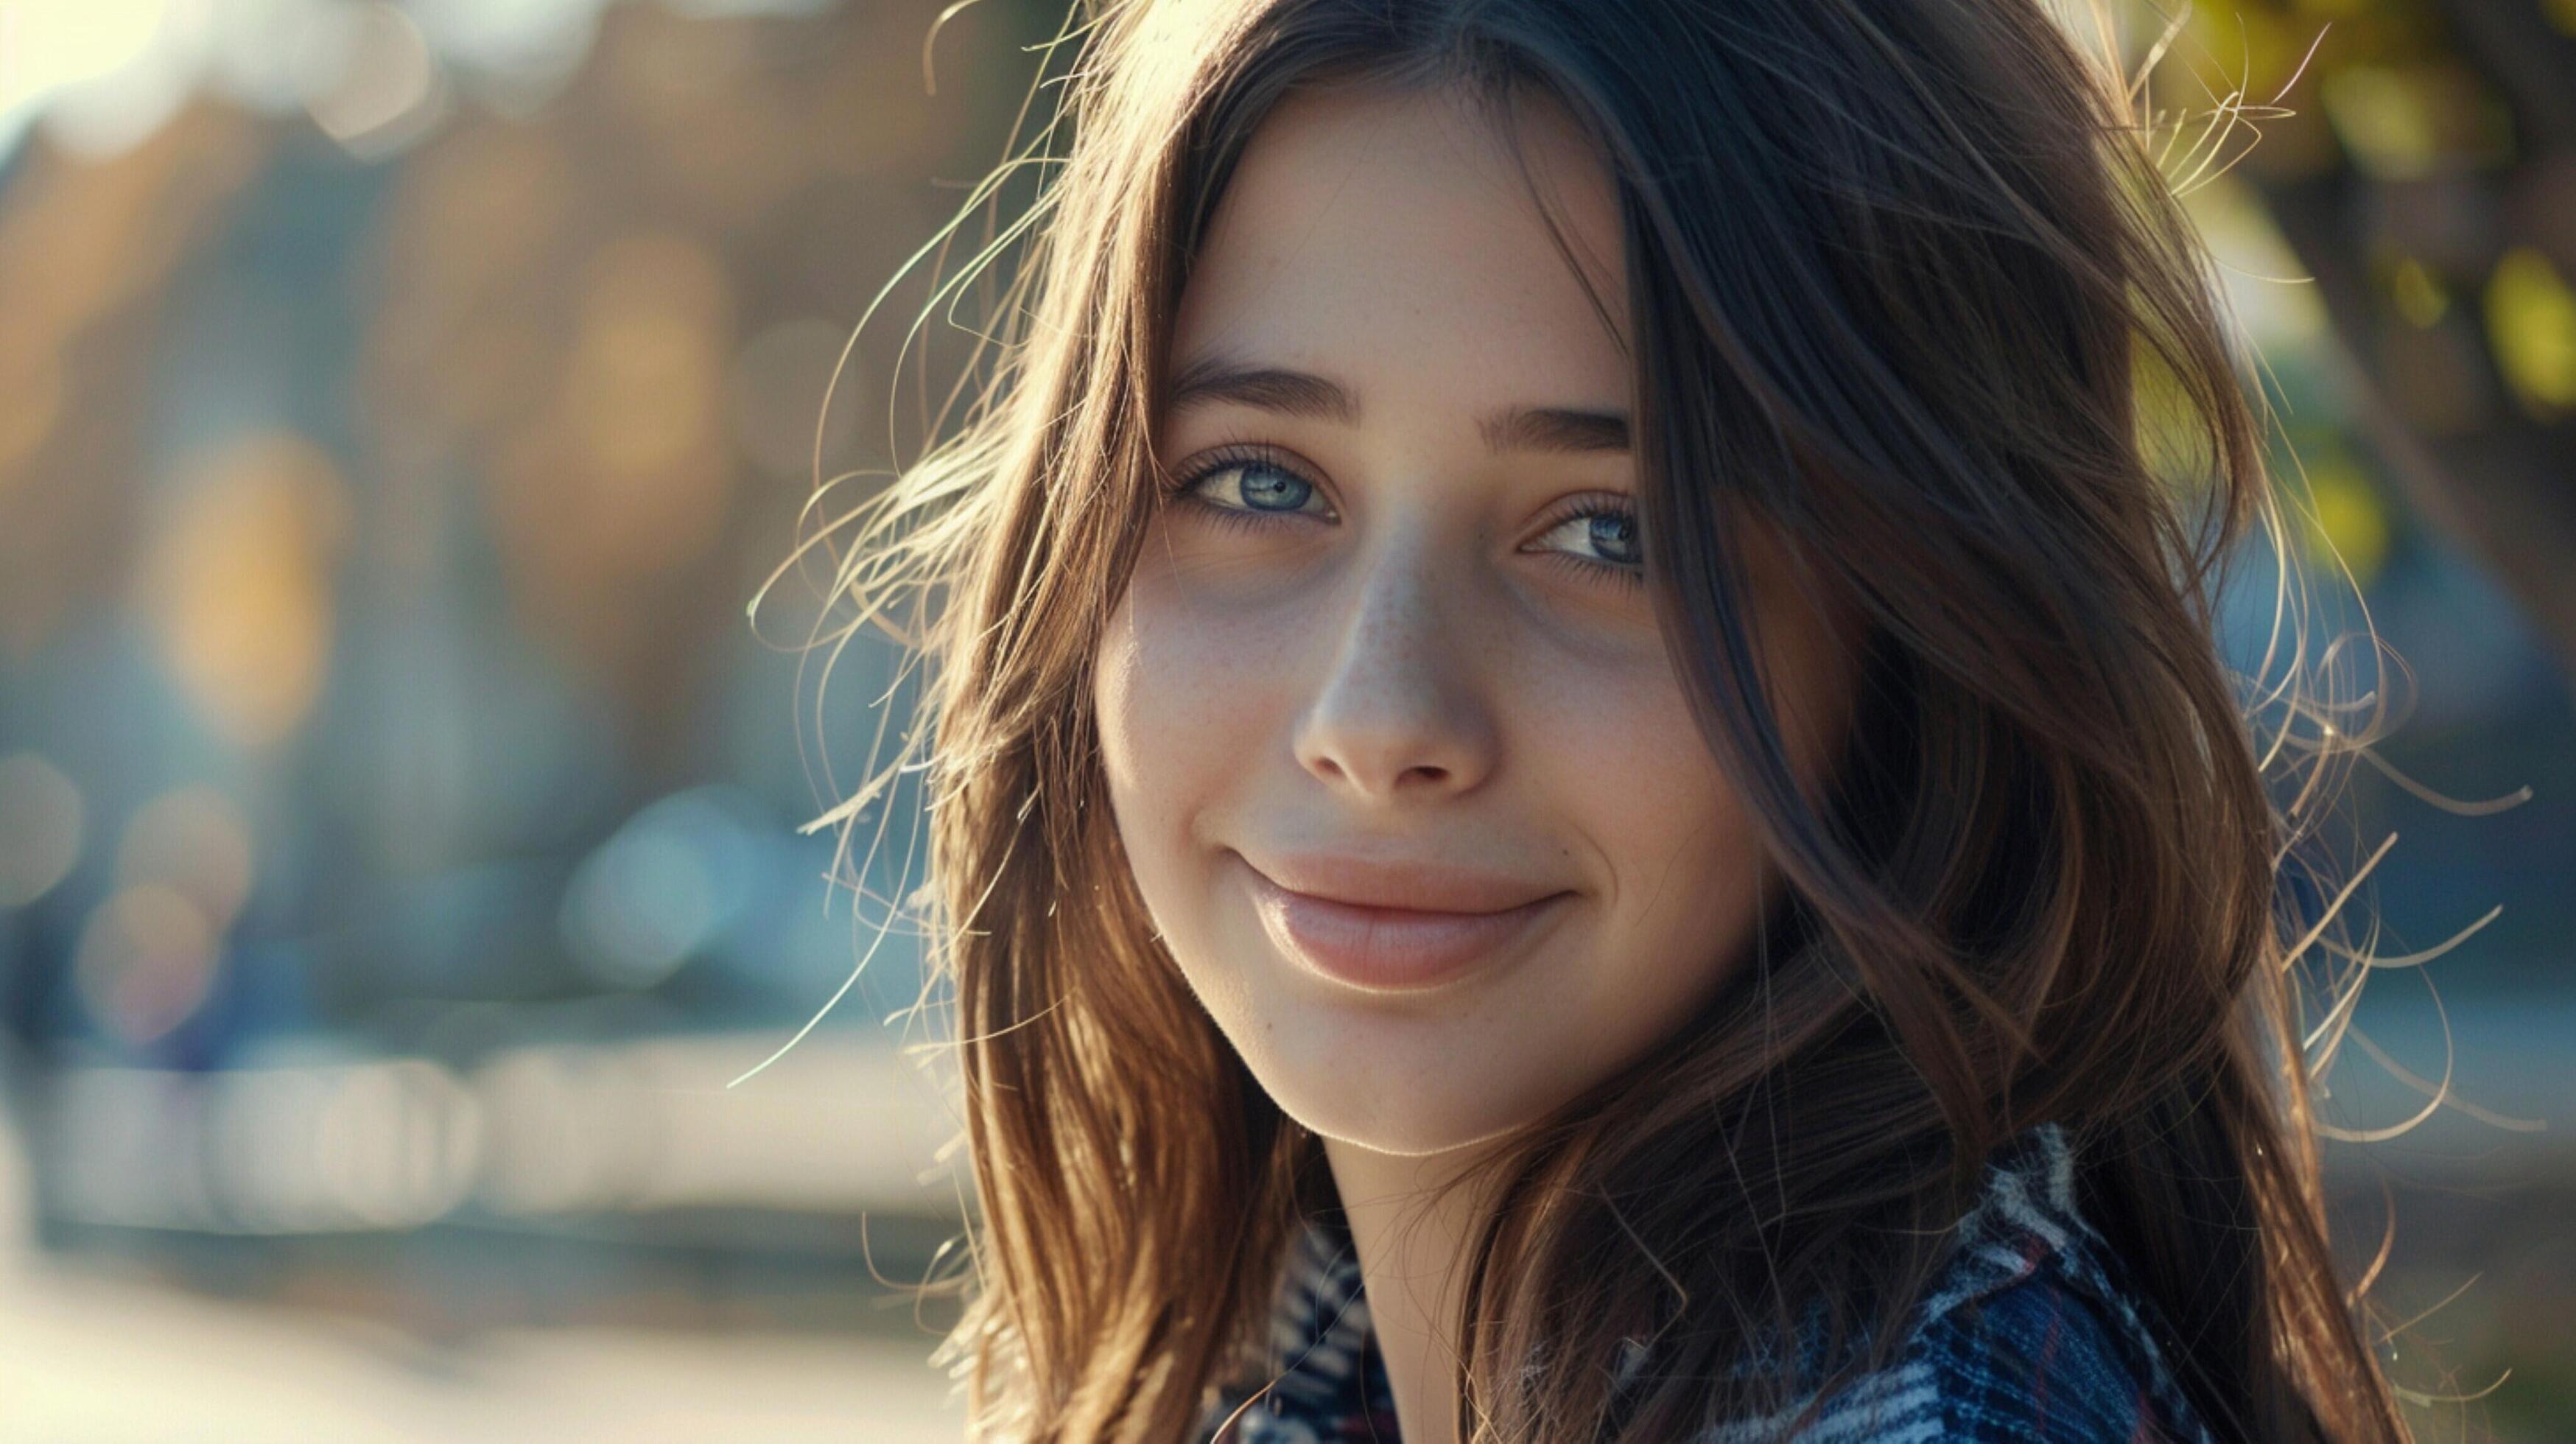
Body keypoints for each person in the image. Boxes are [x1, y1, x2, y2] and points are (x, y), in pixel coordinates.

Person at [801, 0, 2422, 1437]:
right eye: (1259, 480)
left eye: (1613, 531)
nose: (1379, 720)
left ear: (1925, 641)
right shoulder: (1303, 1365)